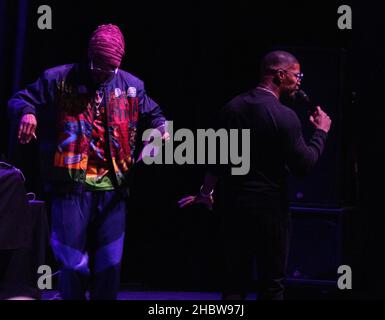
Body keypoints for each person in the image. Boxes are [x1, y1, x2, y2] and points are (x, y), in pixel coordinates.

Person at [8, 24, 168, 300]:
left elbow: (157, 116)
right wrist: (27, 113)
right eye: (98, 66)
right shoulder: (58, 78)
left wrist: (158, 131)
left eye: (110, 69)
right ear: (89, 55)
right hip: (70, 185)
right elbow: (20, 99)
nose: (102, 73)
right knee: (71, 262)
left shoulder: (132, 86)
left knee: (110, 264)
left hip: (114, 188)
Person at [179, 50, 332, 300]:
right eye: (297, 75)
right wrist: (321, 132)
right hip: (271, 212)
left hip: (233, 210)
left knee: (233, 283)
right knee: (272, 284)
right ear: (280, 75)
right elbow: (304, 165)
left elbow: (216, 163)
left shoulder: (231, 108)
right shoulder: (285, 116)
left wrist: (205, 193)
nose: (299, 81)